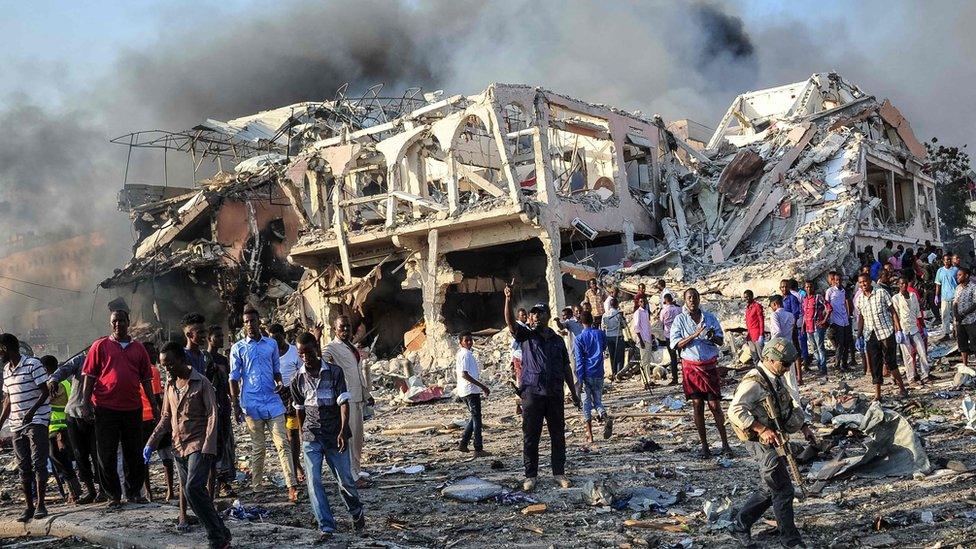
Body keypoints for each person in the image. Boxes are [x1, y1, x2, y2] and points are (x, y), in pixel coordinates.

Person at [728, 337, 816, 549]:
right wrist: (761, 428)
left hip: (774, 435)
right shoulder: (753, 382)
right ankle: (790, 540)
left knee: (772, 487)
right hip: (758, 439)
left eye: (788, 364)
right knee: (783, 488)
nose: (786, 369)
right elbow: (734, 411)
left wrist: (803, 428)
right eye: (783, 364)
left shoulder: (773, 377)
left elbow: (783, 406)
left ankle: (740, 525)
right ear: (769, 359)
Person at [146, 342, 231, 549]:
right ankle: (222, 531)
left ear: (182, 360)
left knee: (193, 489)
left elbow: (212, 414)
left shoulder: (201, 383)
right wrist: (151, 443)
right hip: (178, 446)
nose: (166, 369)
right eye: (163, 365)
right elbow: (166, 416)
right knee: (193, 495)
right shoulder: (170, 386)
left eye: (170, 364)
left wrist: (209, 446)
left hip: (199, 444)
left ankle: (216, 538)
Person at [504, 286, 581, 492]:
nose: (536, 316)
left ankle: (559, 473)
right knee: (531, 435)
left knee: (558, 434)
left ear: (547, 316)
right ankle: (531, 476)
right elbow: (511, 324)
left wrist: (573, 393)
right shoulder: (526, 336)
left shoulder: (557, 341)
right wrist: (508, 300)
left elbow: (566, 367)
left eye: (539, 313)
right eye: (533, 314)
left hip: (554, 393)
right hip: (532, 393)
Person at [290, 332, 366, 541]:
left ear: (317, 348)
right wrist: (302, 431)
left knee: (345, 481)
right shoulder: (296, 379)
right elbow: (299, 409)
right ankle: (326, 526)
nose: (305, 357)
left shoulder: (334, 372)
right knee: (314, 482)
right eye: (301, 353)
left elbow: (343, 403)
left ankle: (356, 512)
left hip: (334, 435)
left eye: (308, 352)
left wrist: (343, 430)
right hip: (311, 437)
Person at [81, 309, 158, 507]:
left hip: (132, 408)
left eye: (122, 321)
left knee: (134, 452)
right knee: (106, 453)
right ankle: (113, 495)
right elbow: (89, 377)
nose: (118, 324)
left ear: (128, 322)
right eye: (115, 321)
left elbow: (146, 379)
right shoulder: (100, 346)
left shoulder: (138, 348)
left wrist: (154, 404)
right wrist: (85, 403)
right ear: (111, 324)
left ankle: (134, 493)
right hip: (105, 408)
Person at [230, 308, 299, 502]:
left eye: (253, 320)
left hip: (273, 401)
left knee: (282, 444)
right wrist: (235, 405)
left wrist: (278, 382)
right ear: (243, 324)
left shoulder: (271, 344)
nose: (250, 325)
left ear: (259, 321)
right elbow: (233, 378)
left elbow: (276, 370)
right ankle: (257, 489)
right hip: (251, 404)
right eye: (246, 322)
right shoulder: (238, 348)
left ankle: (291, 486)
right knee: (258, 448)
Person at [670, 288, 732, 457]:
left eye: (695, 297)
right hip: (691, 367)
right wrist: (694, 335)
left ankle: (725, 444)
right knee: (697, 405)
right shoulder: (679, 320)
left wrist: (712, 336)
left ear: (699, 299)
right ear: (684, 300)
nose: (692, 301)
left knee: (715, 406)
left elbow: (720, 341)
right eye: (689, 298)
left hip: (709, 366)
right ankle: (705, 446)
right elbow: (675, 344)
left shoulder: (710, 318)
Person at [1, 334, 51, 521]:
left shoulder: (33, 364)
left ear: (5, 348)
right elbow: (8, 400)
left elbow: (45, 391)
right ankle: (29, 506)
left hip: (36, 419)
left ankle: (41, 505)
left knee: (38, 462)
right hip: (16, 423)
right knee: (24, 466)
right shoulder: (6, 370)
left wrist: (31, 412)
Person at [322, 315, 373, 488]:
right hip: (346, 399)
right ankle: (351, 476)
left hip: (358, 398)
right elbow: (318, 357)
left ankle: (356, 472)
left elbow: (358, 373)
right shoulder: (332, 347)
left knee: (358, 440)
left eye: (348, 327)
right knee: (349, 439)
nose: (345, 330)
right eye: (342, 327)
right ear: (335, 329)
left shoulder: (351, 346)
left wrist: (367, 395)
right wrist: (315, 336)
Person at [48, 351, 102, 503]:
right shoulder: (81, 360)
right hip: (74, 414)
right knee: (80, 455)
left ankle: (103, 490)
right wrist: (53, 379)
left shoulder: (108, 362)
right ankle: (91, 491)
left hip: (97, 416)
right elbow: (63, 370)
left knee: (98, 454)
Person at [855, 273, 908, 401]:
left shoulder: (881, 293)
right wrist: (859, 335)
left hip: (886, 332)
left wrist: (898, 329)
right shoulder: (860, 299)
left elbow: (892, 311)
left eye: (865, 282)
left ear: (870, 281)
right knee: (875, 365)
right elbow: (861, 318)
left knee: (890, 362)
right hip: (870, 334)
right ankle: (878, 394)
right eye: (861, 283)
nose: (863, 284)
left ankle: (902, 388)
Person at [41, 355, 84, 503]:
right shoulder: (65, 382)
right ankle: (73, 491)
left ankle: (74, 491)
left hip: (60, 427)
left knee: (61, 461)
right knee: (63, 462)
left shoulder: (56, 385)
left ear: (45, 369)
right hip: (61, 426)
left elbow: (49, 401)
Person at [269, 323, 305, 484]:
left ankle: (296, 464)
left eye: (277, 338)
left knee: (293, 433)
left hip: (292, 396)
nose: (275, 343)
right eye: (272, 339)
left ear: (283, 335)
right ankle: (291, 467)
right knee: (281, 436)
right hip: (276, 397)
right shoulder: (269, 354)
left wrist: (293, 389)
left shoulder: (293, 352)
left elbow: (302, 373)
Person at [206, 325, 235, 497]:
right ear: (209, 339)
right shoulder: (204, 359)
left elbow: (228, 382)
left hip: (223, 406)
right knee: (212, 446)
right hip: (210, 409)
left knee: (225, 444)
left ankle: (223, 482)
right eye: (217, 336)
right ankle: (211, 484)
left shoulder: (223, 360)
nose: (221, 338)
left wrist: (233, 401)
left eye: (221, 335)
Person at [455, 332, 491, 456]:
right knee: (477, 419)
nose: (469, 342)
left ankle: (463, 444)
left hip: (468, 390)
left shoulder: (465, 354)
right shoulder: (465, 354)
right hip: (470, 390)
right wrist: (482, 386)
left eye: (470, 340)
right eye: (466, 340)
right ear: (460, 342)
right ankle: (478, 448)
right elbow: (464, 374)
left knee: (474, 417)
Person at [574, 312, 606, 444]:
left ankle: (590, 434)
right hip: (599, 371)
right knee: (598, 401)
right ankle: (604, 415)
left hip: (586, 373)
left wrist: (580, 380)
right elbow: (604, 347)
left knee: (586, 404)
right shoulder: (600, 334)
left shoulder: (579, 338)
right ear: (592, 320)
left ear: (581, 323)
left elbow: (579, 361)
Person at [138, 344, 165, 501]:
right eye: (153, 351)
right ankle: (169, 491)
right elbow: (156, 396)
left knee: (144, 457)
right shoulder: (152, 370)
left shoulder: (133, 370)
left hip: (138, 418)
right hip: (150, 418)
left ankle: (147, 491)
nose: (155, 354)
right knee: (165, 454)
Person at [893, 276, 930, 385]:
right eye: (901, 284)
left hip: (914, 328)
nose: (903, 285)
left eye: (905, 283)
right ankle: (911, 378)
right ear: (898, 285)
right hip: (904, 329)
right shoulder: (896, 298)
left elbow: (918, 313)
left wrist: (923, 327)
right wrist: (898, 331)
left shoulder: (913, 296)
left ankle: (925, 375)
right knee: (908, 356)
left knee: (922, 352)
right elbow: (895, 316)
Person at [823, 271, 852, 373]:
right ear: (833, 281)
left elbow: (846, 304)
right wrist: (827, 319)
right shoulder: (830, 291)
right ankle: (837, 365)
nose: (838, 282)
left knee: (845, 343)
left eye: (840, 280)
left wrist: (848, 316)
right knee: (840, 344)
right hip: (835, 321)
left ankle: (844, 364)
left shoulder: (843, 291)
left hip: (844, 320)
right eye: (836, 280)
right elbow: (827, 306)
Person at [779, 280, 804, 384]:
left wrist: (792, 327)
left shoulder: (792, 298)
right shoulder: (780, 299)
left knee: (796, 352)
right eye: (782, 287)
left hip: (791, 329)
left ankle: (799, 377)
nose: (784, 289)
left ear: (789, 287)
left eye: (786, 287)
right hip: (783, 329)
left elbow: (795, 314)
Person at [802, 281, 828, 378]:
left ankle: (823, 368)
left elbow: (829, 308)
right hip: (809, 327)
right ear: (805, 288)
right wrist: (803, 326)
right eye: (807, 287)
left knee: (820, 348)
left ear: (813, 287)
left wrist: (824, 320)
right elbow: (805, 314)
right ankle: (819, 366)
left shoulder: (818, 297)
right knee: (814, 349)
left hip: (817, 327)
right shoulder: (804, 299)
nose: (808, 289)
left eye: (810, 287)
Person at [954, 267, 976, 369]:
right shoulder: (958, 288)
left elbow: (975, 304)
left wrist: (963, 314)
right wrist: (956, 315)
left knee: (974, 343)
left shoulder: (973, 287)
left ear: (966, 276)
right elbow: (955, 303)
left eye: (960, 275)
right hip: (959, 321)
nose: (957, 277)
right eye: (957, 275)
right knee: (962, 345)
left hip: (970, 320)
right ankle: (965, 366)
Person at [631, 294, 654, 389]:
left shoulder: (646, 312)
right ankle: (645, 381)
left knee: (648, 360)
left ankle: (648, 379)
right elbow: (637, 327)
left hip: (648, 338)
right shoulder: (638, 313)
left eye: (644, 301)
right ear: (638, 303)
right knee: (644, 361)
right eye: (641, 301)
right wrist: (641, 340)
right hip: (643, 339)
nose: (643, 303)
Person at [659, 294, 682, 385]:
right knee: (683, 357)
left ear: (665, 301)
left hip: (669, 336)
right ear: (672, 300)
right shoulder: (679, 309)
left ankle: (675, 379)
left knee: (673, 358)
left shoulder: (664, 311)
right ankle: (686, 377)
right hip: (680, 336)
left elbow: (661, 322)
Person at [935, 253, 959, 338]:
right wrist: (936, 295)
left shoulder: (955, 270)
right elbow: (938, 284)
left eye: (949, 260)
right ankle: (946, 333)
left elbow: (959, 282)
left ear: (951, 260)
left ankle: (956, 332)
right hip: (944, 297)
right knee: (945, 315)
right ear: (943, 261)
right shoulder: (940, 271)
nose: (947, 261)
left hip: (955, 296)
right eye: (946, 260)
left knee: (955, 316)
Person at [602, 298, 626, 378]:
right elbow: (624, 325)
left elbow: (602, 327)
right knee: (620, 356)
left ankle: (614, 372)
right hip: (617, 336)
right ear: (616, 304)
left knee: (612, 356)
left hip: (608, 336)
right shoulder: (618, 314)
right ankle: (619, 374)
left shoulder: (605, 315)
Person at [743, 290, 765, 364]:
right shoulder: (748, 308)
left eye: (747, 297)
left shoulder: (757, 306)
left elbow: (761, 321)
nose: (746, 299)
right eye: (745, 297)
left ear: (751, 296)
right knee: (754, 356)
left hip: (757, 334)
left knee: (761, 356)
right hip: (750, 336)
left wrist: (761, 335)